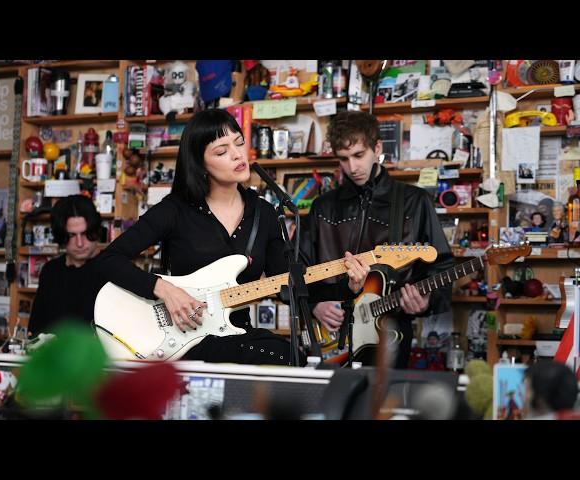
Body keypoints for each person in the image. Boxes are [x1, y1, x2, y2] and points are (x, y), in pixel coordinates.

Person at [96, 109, 368, 365]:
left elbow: (292, 285)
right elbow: (108, 259)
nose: (238, 155)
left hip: (237, 333)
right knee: (279, 354)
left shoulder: (264, 213)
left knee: (292, 355)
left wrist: (349, 287)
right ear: (200, 163)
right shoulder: (175, 210)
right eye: (222, 151)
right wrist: (166, 291)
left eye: (239, 143)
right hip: (185, 339)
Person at [301, 110, 454, 368]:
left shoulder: (413, 202)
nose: (352, 167)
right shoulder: (322, 207)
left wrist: (427, 301)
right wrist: (314, 304)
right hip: (330, 335)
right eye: (344, 159)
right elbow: (298, 268)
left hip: (391, 334)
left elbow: (443, 265)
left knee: (382, 406)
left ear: (377, 147)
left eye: (359, 155)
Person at [29, 195, 103, 336]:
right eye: (72, 235)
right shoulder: (50, 271)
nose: (80, 243)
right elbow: (36, 330)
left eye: (85, 234)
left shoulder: (113, 269)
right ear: (61, 235)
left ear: (95, 230)